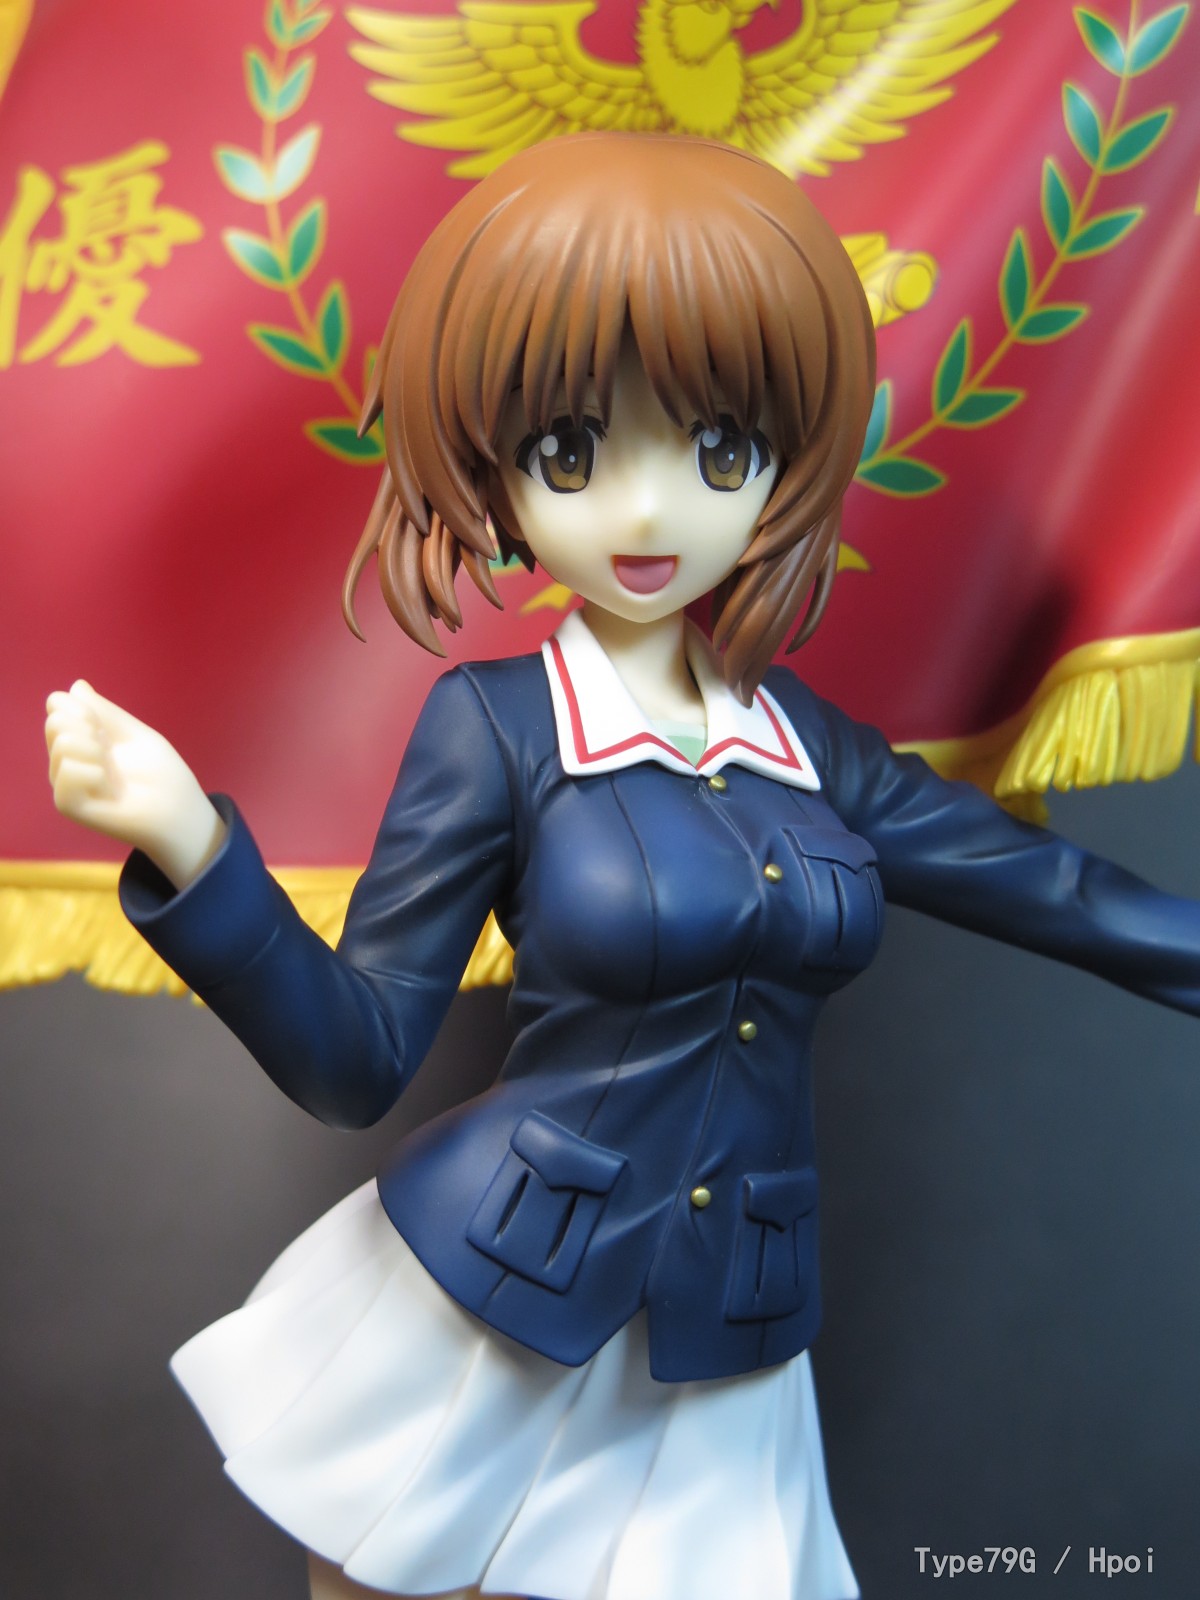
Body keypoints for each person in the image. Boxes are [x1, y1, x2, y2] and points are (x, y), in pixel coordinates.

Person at [44, 132, 1200, 1600]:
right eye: (574, 454)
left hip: (728, 1324)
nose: (646, 514)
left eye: (716, 451)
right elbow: (353, 1056)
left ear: (784, 457)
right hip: (492, 1295)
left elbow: (1062, 895)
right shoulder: (502, 728)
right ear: (501, 462)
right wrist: (192, 844)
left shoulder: (809, 748)